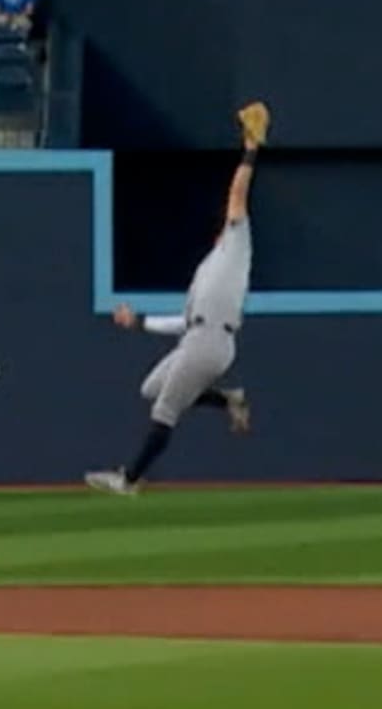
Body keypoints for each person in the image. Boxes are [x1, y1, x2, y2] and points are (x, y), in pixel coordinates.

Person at [88, 108, 267, 495]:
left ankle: (129, 479)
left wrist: (250, 150)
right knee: (152, 389)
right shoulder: (210, 267)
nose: (226, 222)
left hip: (211, 342)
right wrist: (137, 322)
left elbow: (237, 194)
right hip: (199, 337)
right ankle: (228, 399)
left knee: (165, 411)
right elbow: (183, 323)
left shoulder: (238, 244)